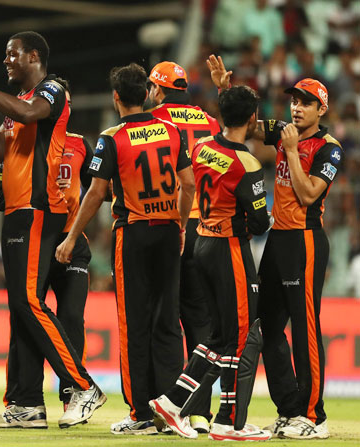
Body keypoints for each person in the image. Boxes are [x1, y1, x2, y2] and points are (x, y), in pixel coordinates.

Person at [0, 31, 105, 428]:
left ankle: (82, 386)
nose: (6, 61)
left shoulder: (51, 91)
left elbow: (31, 114)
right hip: (18, 211)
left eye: (11, 54)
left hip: (40, 210)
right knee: (21, 312)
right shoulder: (14, 104)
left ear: (33, 56)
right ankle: (27, 404)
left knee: (28, 304)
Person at [56, 62, 195, 435]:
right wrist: (180, 223)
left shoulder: (111, 137)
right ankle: (170, 409)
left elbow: (97, 192)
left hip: (133, 234)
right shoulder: (172, 130)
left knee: (134, 325)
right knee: (167, 323)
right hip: (168, 232)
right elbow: (189, 184)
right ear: (147, 94)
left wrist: (71, 237)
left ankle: (141, 415)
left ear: (116, 97)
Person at [208, 55, 342, 440]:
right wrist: (224, 90)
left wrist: (294, 151)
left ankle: (315, 417)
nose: (296, 108)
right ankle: (290, 410)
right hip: (278, 240)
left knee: (305, 329)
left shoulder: (329, 148)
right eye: (293, 101)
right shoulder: (284, 131)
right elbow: (239, 126)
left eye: (305, 102)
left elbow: (308, 194)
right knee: (265, 328)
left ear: (322, 109)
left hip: (305, 240)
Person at [149, 85, 271, 441]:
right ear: (252, 119)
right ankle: (226, 422)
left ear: (219, 115)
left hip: (201, 241)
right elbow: (261, 223)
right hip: (229, 251)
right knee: (236, 338)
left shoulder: (202, 146)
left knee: (218, 336)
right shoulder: (247, 162)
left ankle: (173, 404)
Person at [0, 80, 95, 428]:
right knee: (25, 313)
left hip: (70, 241)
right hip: (43, 236)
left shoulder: (81, 145)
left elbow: (99, 189)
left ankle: (74, 394)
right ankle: (28, 401)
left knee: (70, 319)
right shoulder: (25, 142)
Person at [147, 61, 222, 434]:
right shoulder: (210, 122)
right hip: (206, 225)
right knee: (200, 322)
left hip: (169, 221)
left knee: (164, 320)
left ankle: (166, 406)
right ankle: (200, 413)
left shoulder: (153, 120)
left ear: (158, 89)